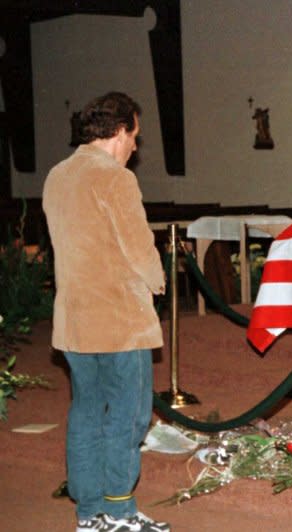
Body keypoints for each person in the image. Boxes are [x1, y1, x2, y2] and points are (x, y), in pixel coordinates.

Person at [43, 92, 170, 532]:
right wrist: (158, 280)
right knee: (128, 415)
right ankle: (120, 512)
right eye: (134, 135)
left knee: (86, 411)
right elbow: (137, 244)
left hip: (75, 319)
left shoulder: (57, 175)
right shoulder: (115, 178)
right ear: (118, 132)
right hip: (119, 320)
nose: (136, 146)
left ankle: (89, 513)